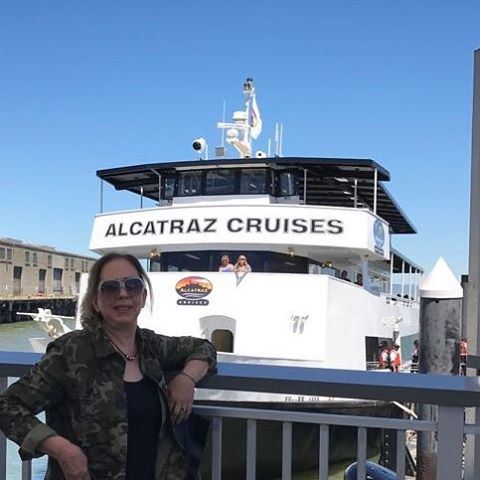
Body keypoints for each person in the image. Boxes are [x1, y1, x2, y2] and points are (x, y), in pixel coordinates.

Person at [0, 252, 216, 480]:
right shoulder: (71, 351)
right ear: (95, 300)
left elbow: (204, 348)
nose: (123, 294)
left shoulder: (151, 346)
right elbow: (8, 406)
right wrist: (62, 450)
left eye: (132, 285)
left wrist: (186, 379)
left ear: (142, 297)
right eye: (110, 288)